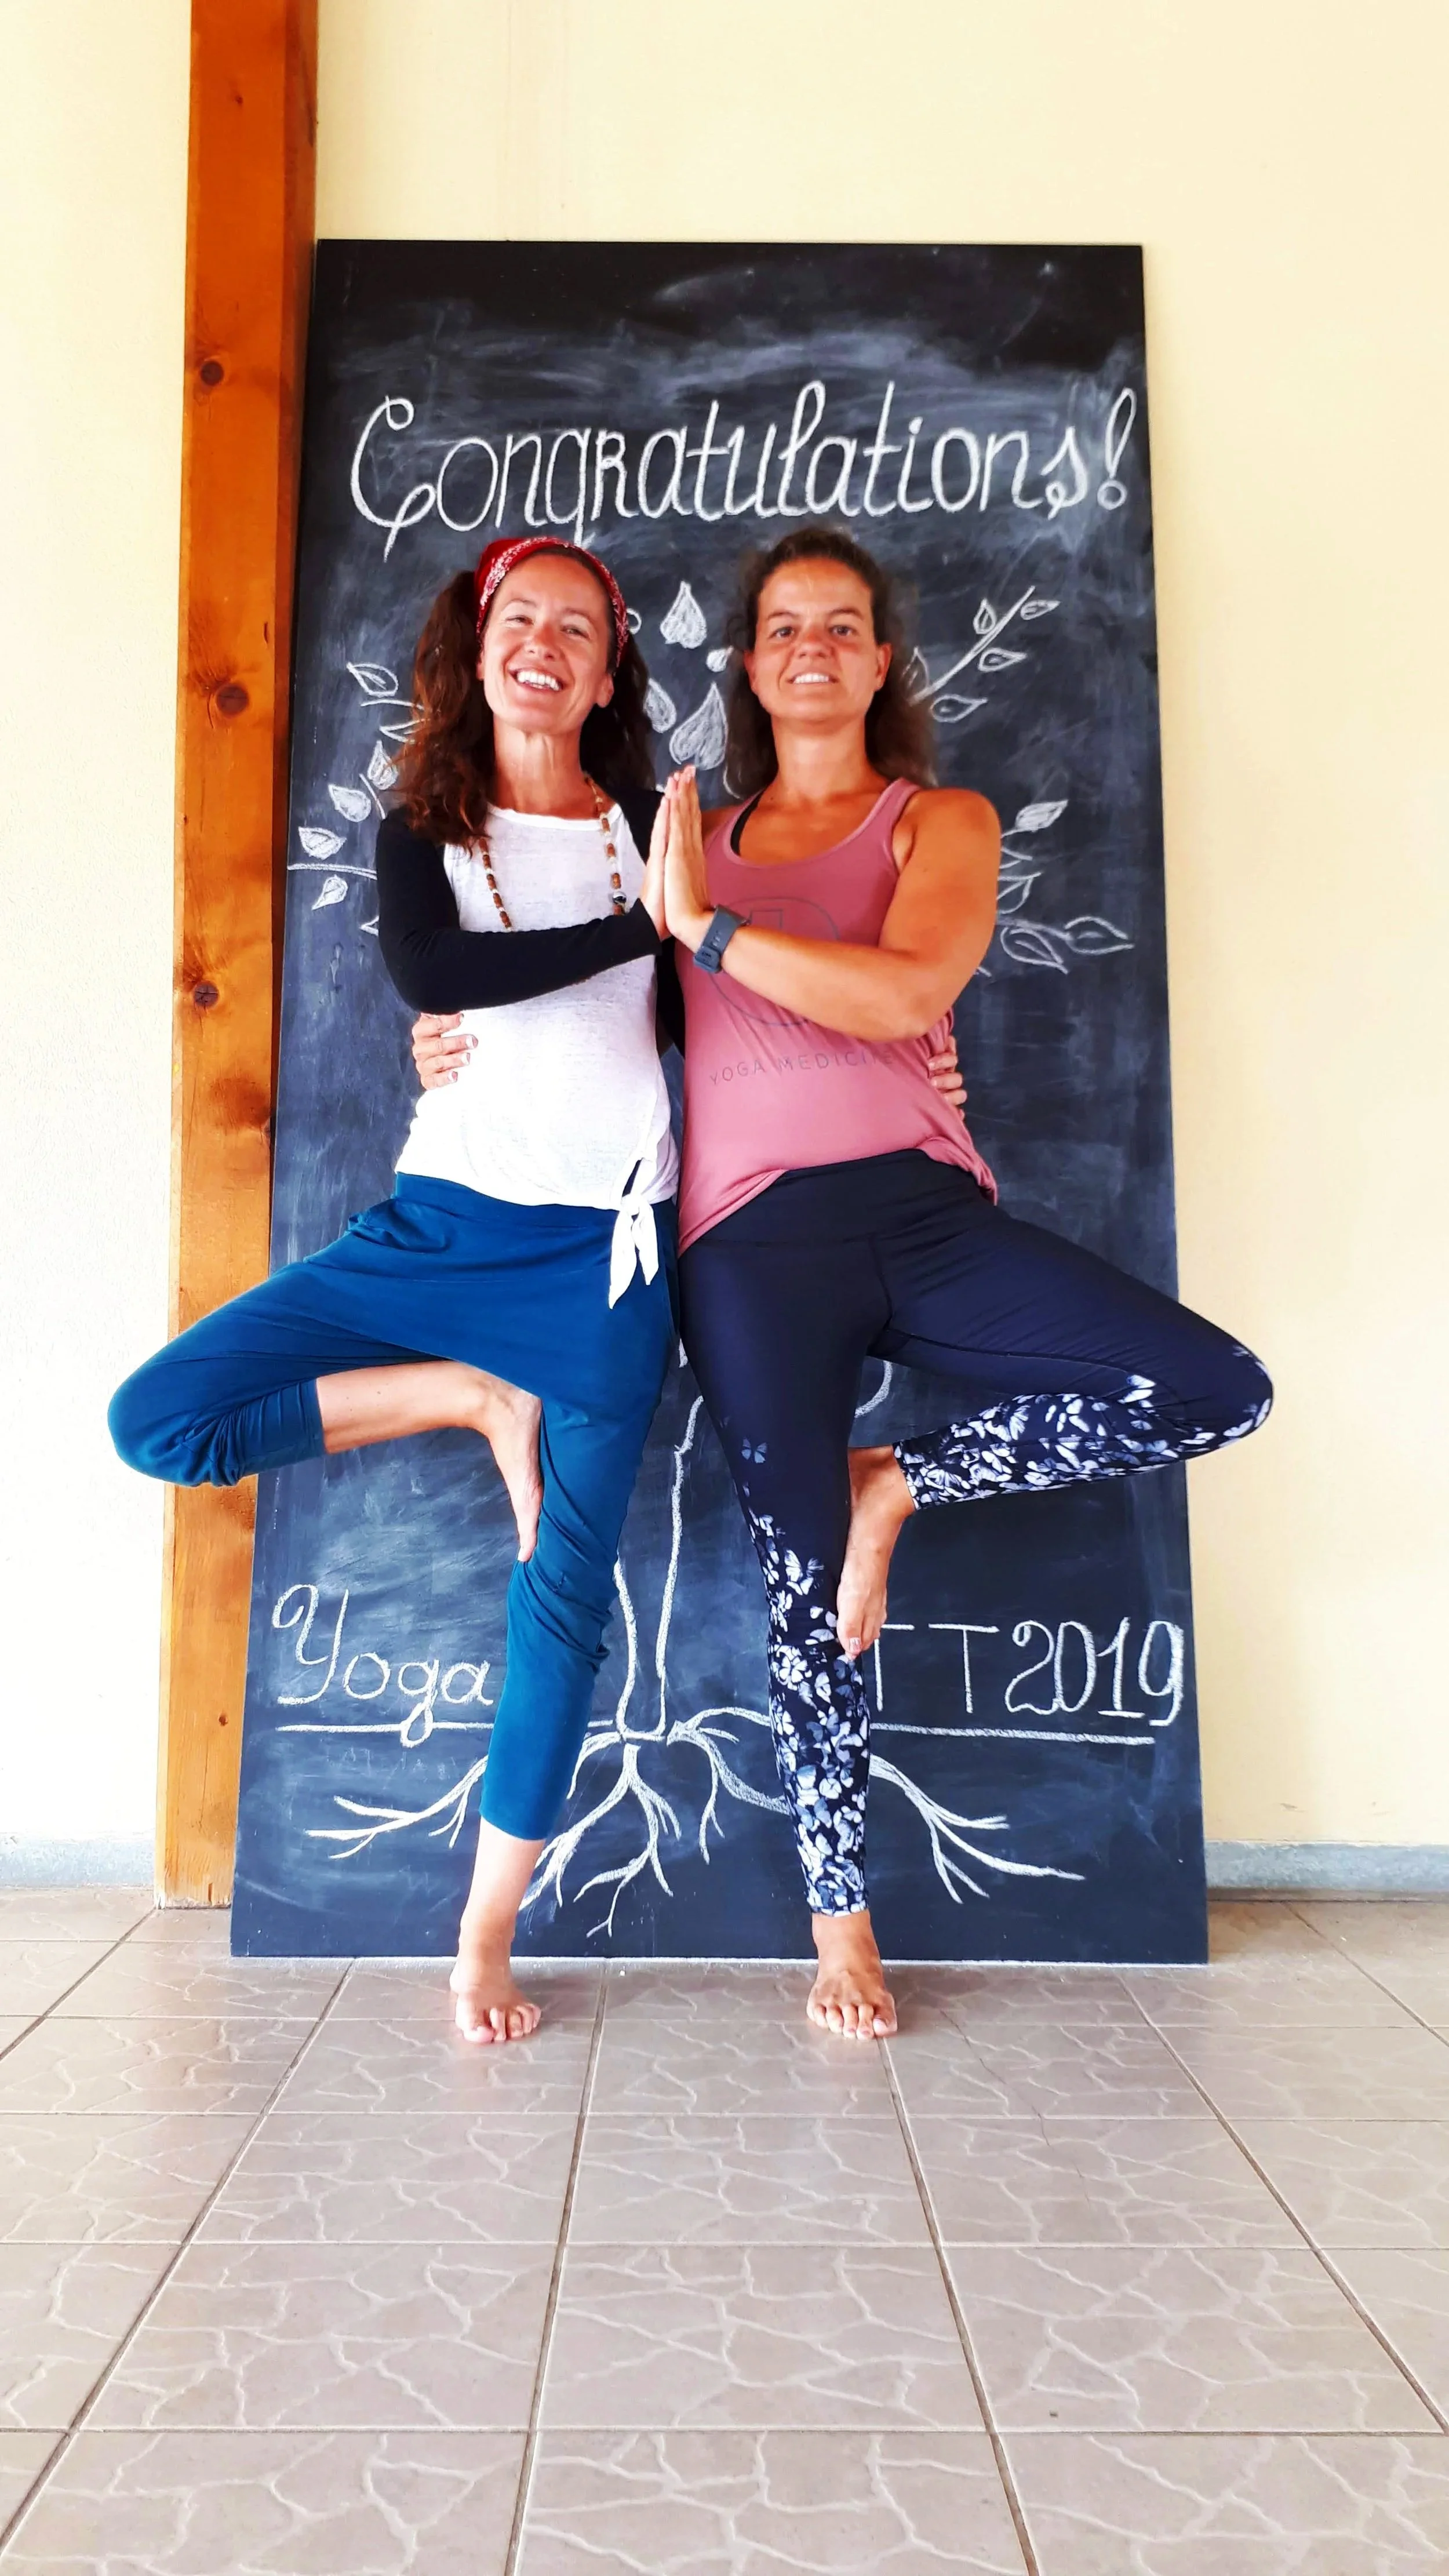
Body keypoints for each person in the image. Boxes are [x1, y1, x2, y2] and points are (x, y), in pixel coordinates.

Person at [417, 528, 1272, 2044]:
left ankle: (900, 1484)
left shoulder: (935, 815)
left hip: (925, 1213)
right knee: (804, 1596)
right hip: (744, 1246)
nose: (810, 643)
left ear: (880, 660)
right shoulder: (680, 828)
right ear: (746, 664)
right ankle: (841, 1914)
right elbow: (605, 1008)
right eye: (781, 625)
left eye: (842, 623)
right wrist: (450, 1046)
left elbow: (909, 989)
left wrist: (719, 935)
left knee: (1216, 1387)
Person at [110, 536, 679, 2045]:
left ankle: (484, 1935)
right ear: (476, 641)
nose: (544, 640)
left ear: (611, 666)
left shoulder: (656, 822)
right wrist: (642, 930)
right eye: (518, 617)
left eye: (578, 624)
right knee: (161, 1419)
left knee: (563, 1607)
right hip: (437, 1231)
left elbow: (726, 1013)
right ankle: (459, 1395)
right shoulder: (423, 815)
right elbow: (438, 975)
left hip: (610, 1257)